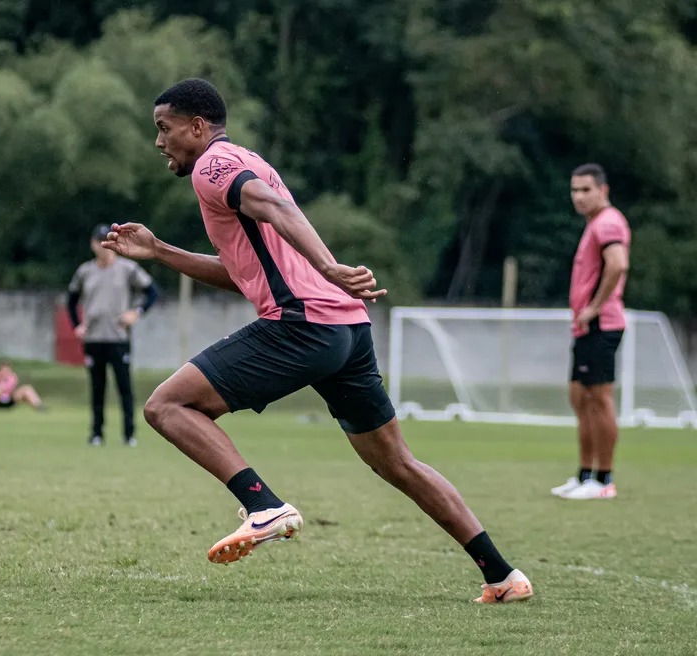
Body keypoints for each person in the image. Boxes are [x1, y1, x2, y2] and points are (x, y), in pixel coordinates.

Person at [100, 78, 532, 603]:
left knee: (167, 405)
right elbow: (242, 272)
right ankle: (502, 575)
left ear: (197, 127)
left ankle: (263, 506)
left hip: (303, 324)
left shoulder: (214, 166)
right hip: (346, 330)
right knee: (396, 462)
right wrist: (162, 250)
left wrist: (328, 265)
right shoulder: (247, 161)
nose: (159, 141)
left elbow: (272, 209)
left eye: (164, 129)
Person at [551, 163, 630, 500]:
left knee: (599, 399)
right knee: (580, 400)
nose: (579, 196)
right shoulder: (594, 225)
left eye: (586, 189)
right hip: (584, 328)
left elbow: (618, 264)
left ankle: (603, 480)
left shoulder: (609, 221)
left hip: (601, 325)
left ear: (603, 190)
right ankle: (584, 476)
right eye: (574, 190)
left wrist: (595, 307)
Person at [67, 224, 159, 447]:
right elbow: (71, 299)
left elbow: (152, 292)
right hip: (94, 339)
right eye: (98, 241)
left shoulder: (128, 269)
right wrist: (77, 325)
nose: (103, 246)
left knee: (124, 388)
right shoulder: (85, 271)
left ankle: (129, 435)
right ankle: (96, 434)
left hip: (118, 338)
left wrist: (136, 312)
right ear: (92, 244)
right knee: (97, 389)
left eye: (106, 241)